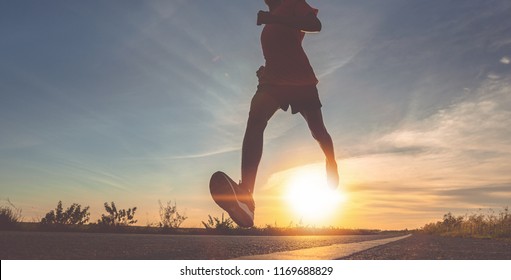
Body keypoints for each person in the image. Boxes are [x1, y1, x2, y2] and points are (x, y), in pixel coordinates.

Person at [210, 0, 338, 228]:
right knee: (255, 120)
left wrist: (274, 19)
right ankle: (246, 196)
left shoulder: (292, 4)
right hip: (274, 81)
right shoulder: (269, 19)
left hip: (300, 79)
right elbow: (277, 52)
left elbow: (315, 24)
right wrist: (265, 69)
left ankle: (331, 161)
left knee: (318, 132)